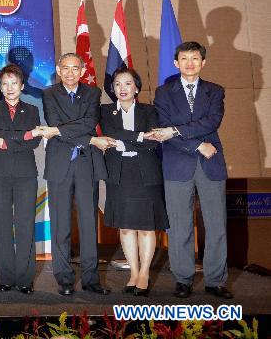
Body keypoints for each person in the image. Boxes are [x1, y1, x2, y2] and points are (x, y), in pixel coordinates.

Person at [149, 41, 233, 299]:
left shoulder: (215, 91)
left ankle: (215, 280)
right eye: (184, 58)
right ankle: (183, 279)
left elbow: (211, 121)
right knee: (179, 225)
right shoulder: (163, 92)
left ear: (203, 62)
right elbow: (163, 129)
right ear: (176, 63)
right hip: (177, 163)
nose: (189, 63)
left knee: (216, 224)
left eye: (194, 58)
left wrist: (176, 131)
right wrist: (197, 145)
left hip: (211, 164)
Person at [40, 53, 112, 296]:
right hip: (60, 164)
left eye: (75, 68)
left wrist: (59, 130)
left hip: (86, 164)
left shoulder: (93, 93)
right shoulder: (48, 94)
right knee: (60, 225)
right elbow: (54, 121)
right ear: (58, 71)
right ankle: (64, 278)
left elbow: (89, 122)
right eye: (65, 68)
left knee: (89, 223)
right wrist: (89, 138)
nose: (70, 73)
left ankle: (92, 279)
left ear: (82, 71)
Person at [99, 66, 168, 297]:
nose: (122, 88)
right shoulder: (105, 111)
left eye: (128, 83)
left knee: (146, 227)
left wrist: (120, 141)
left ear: (136, 88)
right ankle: (133, 272)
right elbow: (109, 133)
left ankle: (145, 274)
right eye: (118, 84)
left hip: (146, 173)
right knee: (126, 227)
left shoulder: (149, 110)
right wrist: (139, 136)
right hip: (119, 173)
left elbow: (153, 142)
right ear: (113, 88)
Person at [0, 64, 42, 295]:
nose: (9, 88)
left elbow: (35, 142)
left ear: (22, 86)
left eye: (14, 83)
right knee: (1, 227)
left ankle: (25, 279)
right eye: (5, 84)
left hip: (25, 175)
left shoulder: (32, 110)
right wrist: (25, 135)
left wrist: (11, 140)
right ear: (0, 86)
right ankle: (6, 278)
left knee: (25, 225)